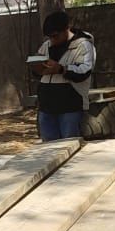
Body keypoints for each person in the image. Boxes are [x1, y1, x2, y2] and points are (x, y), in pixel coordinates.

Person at [31, 10, 96, 141]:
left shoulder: (84, 45)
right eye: (49, 37)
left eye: (55, 36)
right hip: (46, 106)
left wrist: (61, 69)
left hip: (70, 106)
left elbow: (84, 72)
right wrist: (37, 68)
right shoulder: (46, 45)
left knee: (70, 145)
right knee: (48, 149)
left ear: (67, 29)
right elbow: (38, 69)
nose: (52, 40)